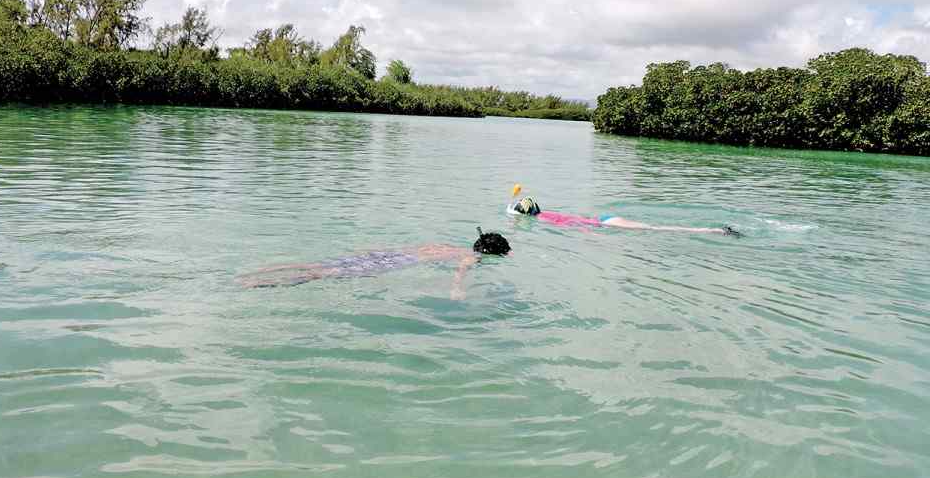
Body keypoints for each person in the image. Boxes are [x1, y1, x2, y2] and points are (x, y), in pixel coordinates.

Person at [239, 228, 511, 299]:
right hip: (397, 262)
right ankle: (258, 283)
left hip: (385, 254)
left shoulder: (444, 245)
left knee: (318, 265)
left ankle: (259, 273)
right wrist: (457, 289)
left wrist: (367, 251)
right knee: (323, 275)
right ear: (490, 253)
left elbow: (404, 248)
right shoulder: (469, 256)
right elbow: (461, 272)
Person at [508, 185, 741, 236]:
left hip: (604, 224)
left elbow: (577, 227)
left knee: (657, 228)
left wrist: (594, 237)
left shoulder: (547, 221)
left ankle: (714, 231)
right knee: (655, 227)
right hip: (604, 218)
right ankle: (714, 230)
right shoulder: (548, 213)